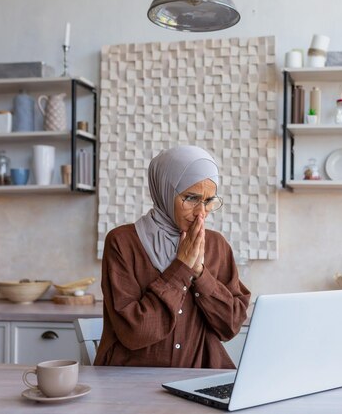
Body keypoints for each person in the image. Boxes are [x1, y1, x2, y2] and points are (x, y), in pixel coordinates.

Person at [95, 145, 251, 368]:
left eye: (208, 201)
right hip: (131, 383)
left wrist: (199, 273)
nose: (201, 213)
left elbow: (231, 326)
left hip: (199, 379)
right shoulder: (122, 242)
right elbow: (135, 332)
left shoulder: (217, 246)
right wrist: (182, 267)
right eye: (191, 198)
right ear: (165, 191)